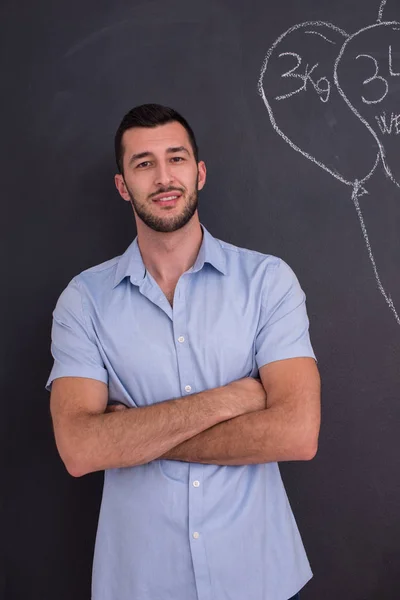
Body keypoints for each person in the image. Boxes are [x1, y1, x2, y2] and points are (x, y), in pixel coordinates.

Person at [46, 103, 321, 600]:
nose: (164, 176)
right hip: (141, 582)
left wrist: (133, 438)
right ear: (122, 185)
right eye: (143, 163)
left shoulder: (267, 282)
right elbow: (81, 449)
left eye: (176, 158)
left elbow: (298, 433)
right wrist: (235, 398)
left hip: (258, 577)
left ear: (200, 172)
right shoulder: (83, 300)